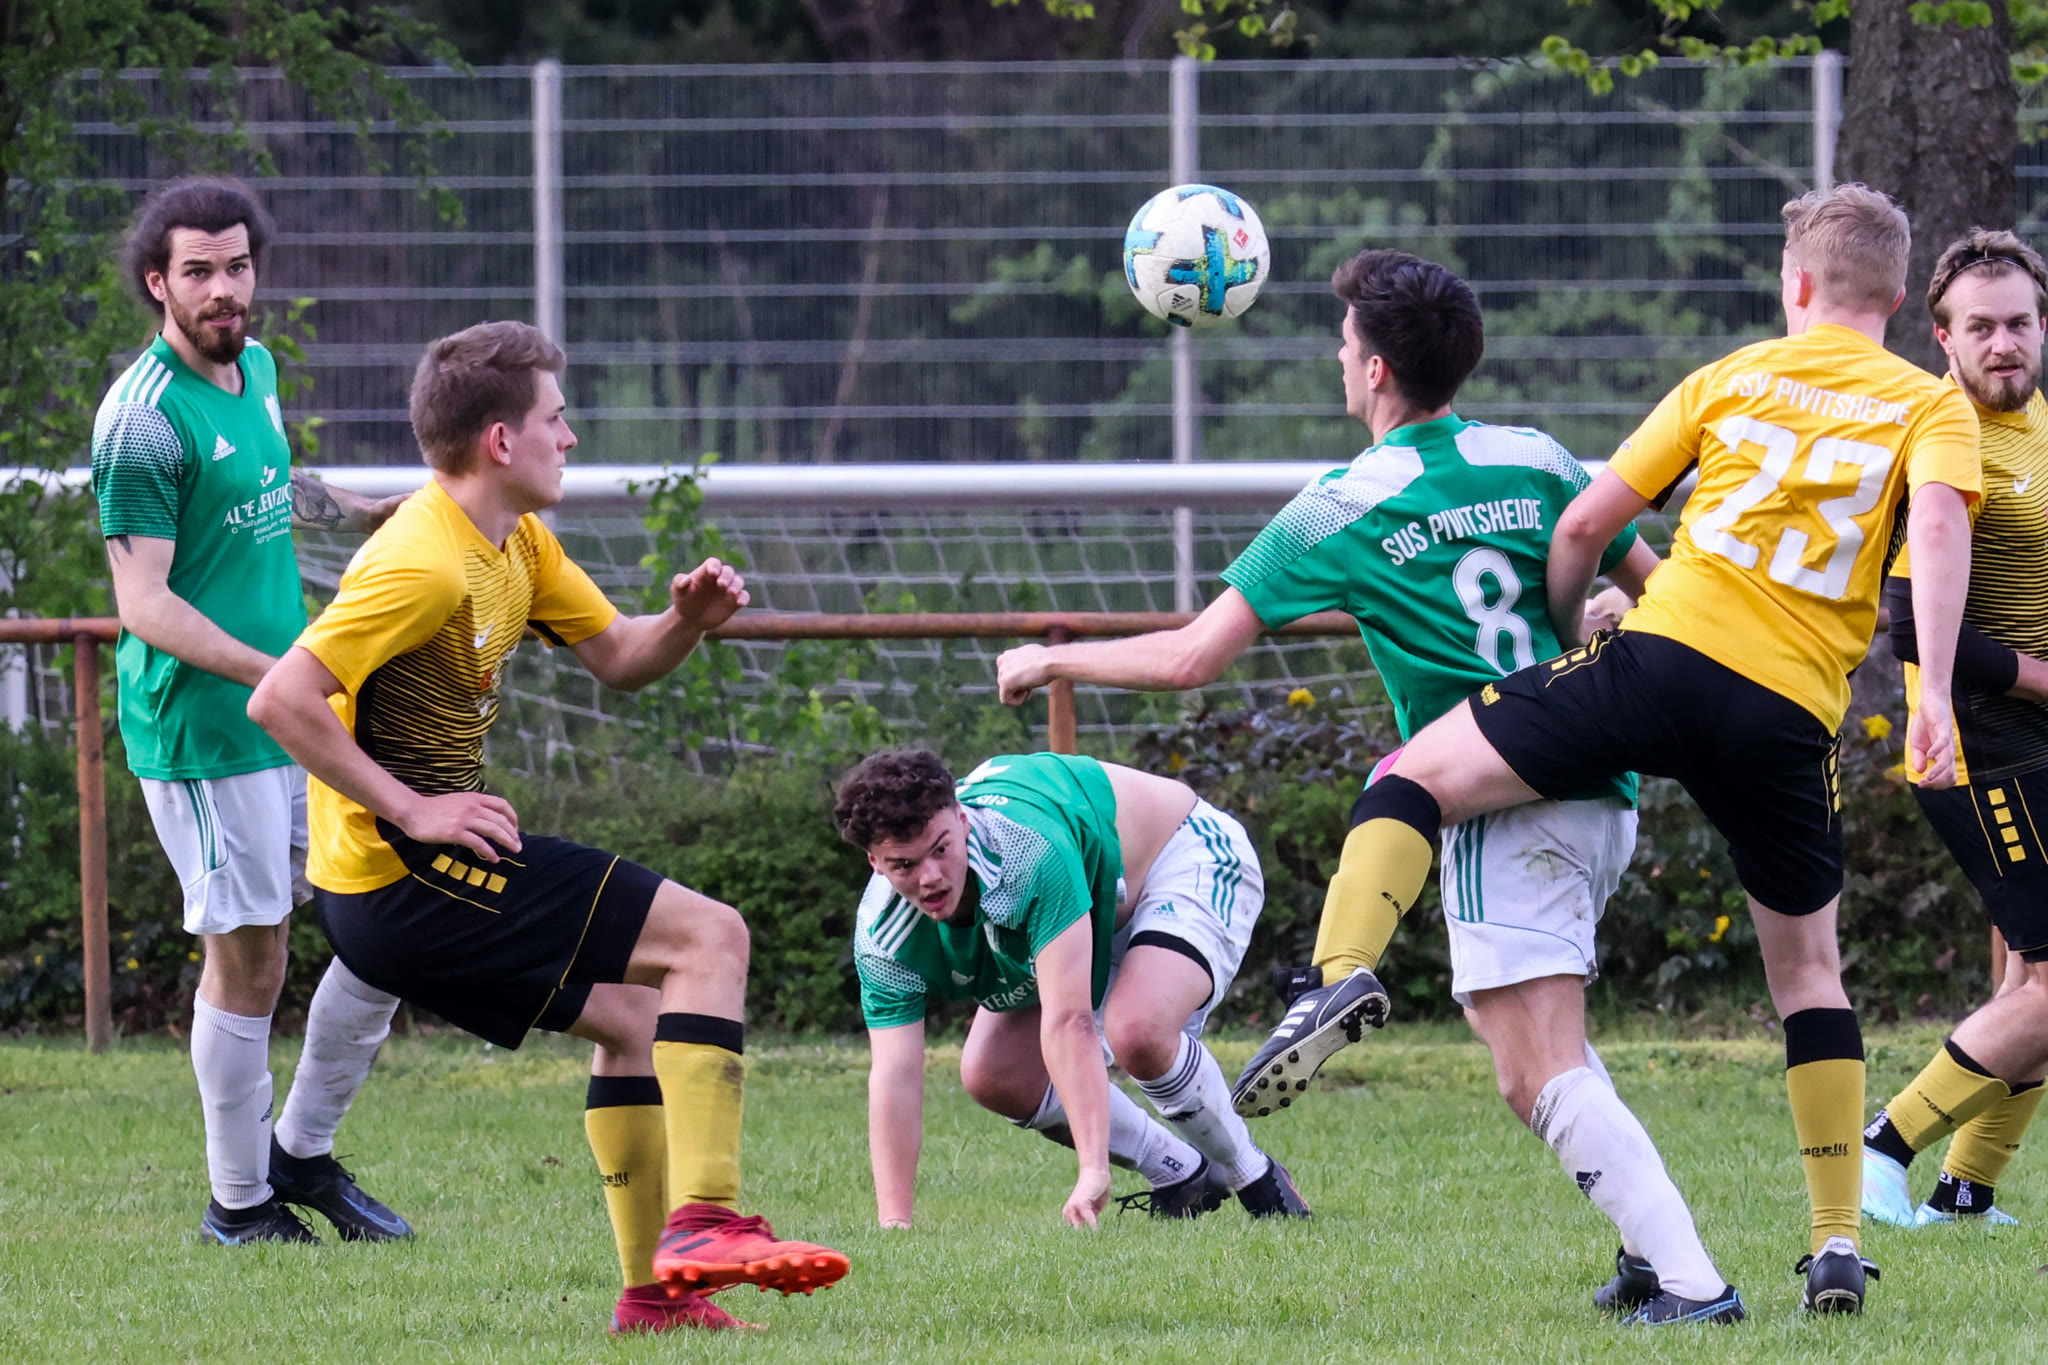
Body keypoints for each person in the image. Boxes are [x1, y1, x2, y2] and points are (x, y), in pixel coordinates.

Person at [1178, 184, 1981, 1314]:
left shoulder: (1730, 376)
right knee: (1809, 975)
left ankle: (1338, 970)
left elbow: (1584, 527)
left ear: (1793, 284)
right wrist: (1931, 689)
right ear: (1897, 302)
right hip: (1789, 712)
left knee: (1412, 776)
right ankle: (1836, 1243)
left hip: (1662, 660)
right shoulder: (1933, 405)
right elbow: (1936, 525)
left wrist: (1566, 651)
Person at [997, 248, 1738, 1326]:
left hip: (1493, 802)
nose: (1338, 361)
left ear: (1378, 368)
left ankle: (1691, 1285)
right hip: (1601, 786)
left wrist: (1052, 658)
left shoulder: (1341, 502)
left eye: (1344, 345)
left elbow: (1193, 657)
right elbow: (1655, 588)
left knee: (1533, 1070)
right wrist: (1601, 626)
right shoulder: (1534, 456)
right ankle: (1647, 1253)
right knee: (1548, 1044)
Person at [245, 320, 848, 1335]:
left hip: (416, 877)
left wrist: (686, 623)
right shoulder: (422, 562)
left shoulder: (515, 541)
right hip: (401, 878)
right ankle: (706, 1221)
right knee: (712, 936)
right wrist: (413, 807)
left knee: (636, 1018)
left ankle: (654, 1301)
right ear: (500, 440)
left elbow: (620, 656)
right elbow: (281, 698)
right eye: (556, 419)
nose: (569, 438)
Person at [93, 177, 415, 1246]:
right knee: (249, 956)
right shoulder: (140, 420)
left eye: (237, 265)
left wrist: (363, 511)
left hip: (286, 713)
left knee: (375, 911)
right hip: (206, 733)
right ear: (159, 283)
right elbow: (144, 603)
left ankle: (301, 1156)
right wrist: (277, 676)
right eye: (199, 271)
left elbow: (267, 482)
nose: (224, 288)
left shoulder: (256, 368)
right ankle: (239, 1205)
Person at [834, 749, 1308, 1229]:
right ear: (875, 863)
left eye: (941, 849)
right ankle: (1183, 1174)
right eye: (904, 865)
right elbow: (895, 1073)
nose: (930, 878)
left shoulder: (1026, 851)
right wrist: (895, 1223)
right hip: (1092, 907)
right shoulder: (881, 935)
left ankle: (1252, 1173)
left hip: (1183, 854)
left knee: (1137, 1030)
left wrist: (1092, 1170)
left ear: (962, 819)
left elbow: (1069, 1022)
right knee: (993, 1074)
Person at [1861, 229, 2048, 1229]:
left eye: (2018, 323)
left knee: (2027, 979)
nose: (2002, 344)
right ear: (1942, 337)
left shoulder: (2037, 424)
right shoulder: (1942, 436)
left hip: (2034, 739)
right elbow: (1911, 622)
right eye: (1980, 328)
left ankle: (1966, 1193)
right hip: (1979, 742)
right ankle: (1880, 1147)